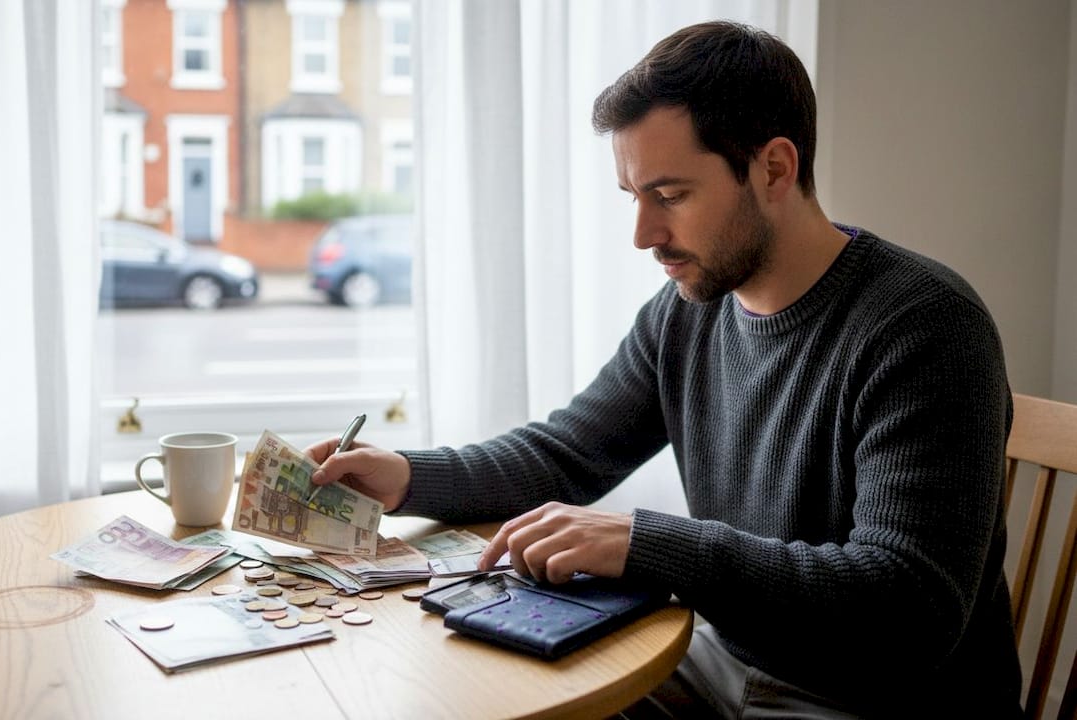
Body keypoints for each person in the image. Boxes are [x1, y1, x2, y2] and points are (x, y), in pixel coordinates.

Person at [305, 20, 1021, 719]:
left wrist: (649, 544)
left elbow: (908, 609)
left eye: (671, 196)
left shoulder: (925, 327)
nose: (645, 235)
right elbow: (568, 452)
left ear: (774, 168)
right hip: (720, 667)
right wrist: (406, 475)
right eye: (635, 197)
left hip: (874, 701)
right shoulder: (689, 310)